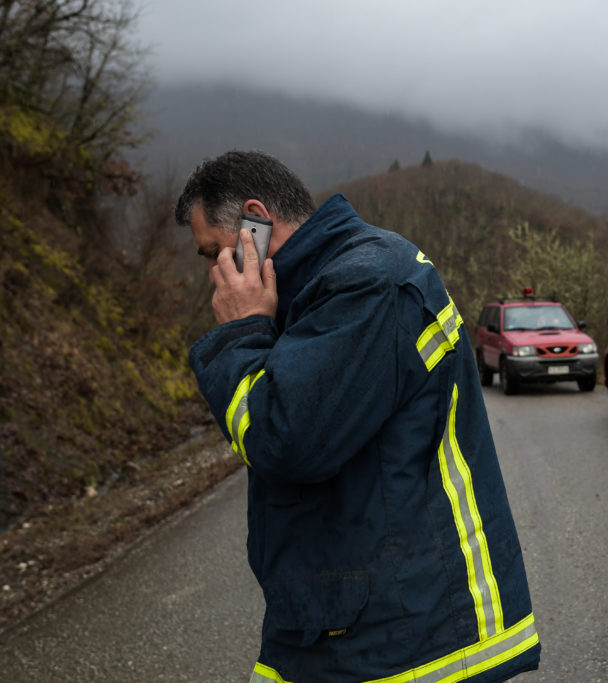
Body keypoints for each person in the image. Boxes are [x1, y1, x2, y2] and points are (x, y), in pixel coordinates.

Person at [175, 150, 540, 682]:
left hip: (407, 637)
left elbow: (284, 437)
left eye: (213, 252)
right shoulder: (313, 291)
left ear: (255, 220)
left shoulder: (366, 282)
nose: (213, 274)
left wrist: (242, 331)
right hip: (338, 620)